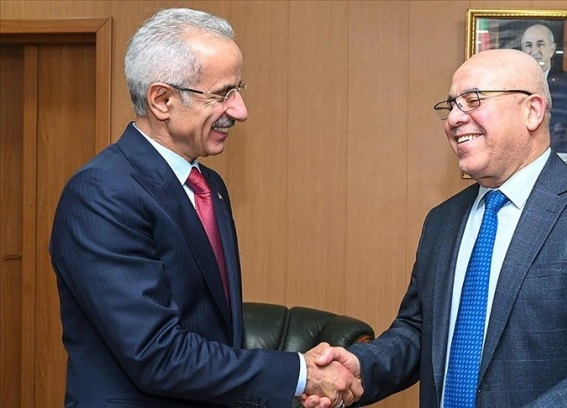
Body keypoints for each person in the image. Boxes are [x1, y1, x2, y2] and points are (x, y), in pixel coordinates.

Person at [303, 49, 567, 407]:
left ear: (532, 111)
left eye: (473, 100)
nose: (453, 118)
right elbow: (419, 331)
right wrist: (362, 367)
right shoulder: (442, 221)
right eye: (451, 105)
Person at [49, 8, 360, 408]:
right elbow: (157, 354)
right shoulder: (102, 193)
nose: (240, 110)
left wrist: (289, 384)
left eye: (238, 89)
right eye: (222, 94)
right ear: (162, 100)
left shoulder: (209, 186)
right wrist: (300, 375)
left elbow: (215, 333)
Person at [521, 23, 567, 154]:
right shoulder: (512, 83)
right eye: (528, 45)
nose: (534, 51)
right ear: (522, 51)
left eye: (540, 44)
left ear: (552, 49)